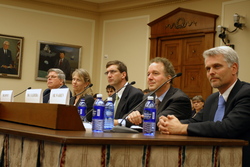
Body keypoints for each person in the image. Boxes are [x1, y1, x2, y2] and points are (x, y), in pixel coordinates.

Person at [157, 46, 250, 167]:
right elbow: (194, 121)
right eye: (208, 68)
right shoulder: (212, 99)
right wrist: (169, 123)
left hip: (240, 161)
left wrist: (181, 128)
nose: (211, 72)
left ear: (233, 68)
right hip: (209, 159)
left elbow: (228, 127)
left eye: (217, 66)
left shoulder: (246, 93)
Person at [126, 57, 192, 127]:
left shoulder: (180, 99)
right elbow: (127, 116)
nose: (150, 78)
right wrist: (133, 116)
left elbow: (157, 122)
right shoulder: (147, 97)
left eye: (155, 73)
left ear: (168, 79)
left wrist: (133, 120)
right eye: (148, 74)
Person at [105, 60, 144, 126]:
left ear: (123, 75)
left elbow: (132, 121)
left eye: (112, 72)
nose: (109, 75)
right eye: (107, 73)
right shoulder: (112, 98)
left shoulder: (135, 94)